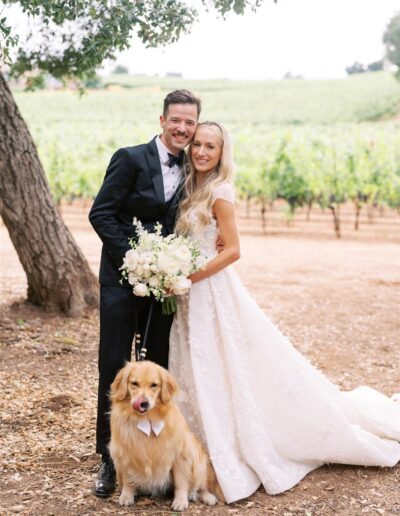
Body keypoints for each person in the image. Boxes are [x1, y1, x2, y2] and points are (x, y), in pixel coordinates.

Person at [168, 121, 400, 503]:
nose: (202, 152)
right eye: (198, 145)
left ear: (222, 152)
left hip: (210, 289)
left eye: (211, 146)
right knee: (198, 364)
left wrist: (190, 275)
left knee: (225, 363)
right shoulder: (190, 187)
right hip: (189, 293)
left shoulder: (220, 191)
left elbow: (233, 250)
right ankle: (196, 448)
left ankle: (236, 445)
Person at [88, 89, 201, 497]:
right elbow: (101, 213)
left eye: (190, 122)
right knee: (115, 370)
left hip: (164, 289)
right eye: (177, 120)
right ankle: (108, 459)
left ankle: (152, 460)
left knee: (154, 373)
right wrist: (135, 259)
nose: (183, 129)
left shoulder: (194, 166)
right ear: (162, 120)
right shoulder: (131, 158)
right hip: (122, 282)